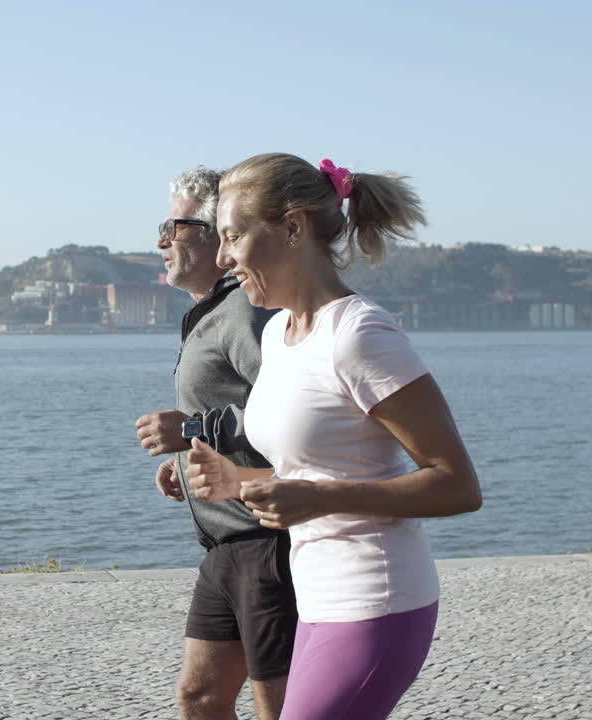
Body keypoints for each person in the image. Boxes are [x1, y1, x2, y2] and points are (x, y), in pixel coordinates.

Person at [185, 153, 483, 720]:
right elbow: (320, 468)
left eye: (233, 237)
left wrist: (320, 500)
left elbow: (457, 485)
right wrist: (239, 480)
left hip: (377, 602)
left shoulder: (360, 334)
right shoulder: (278, 335)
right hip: (316, 601)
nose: (222, 258)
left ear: (293, 229)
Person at [134, 166, 297, 720]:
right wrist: (185, 463)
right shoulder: (207, 313)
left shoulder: (244, 310)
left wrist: (197, 430)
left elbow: (292, 410)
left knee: (277, 707)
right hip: (223, 547)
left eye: (171, 226)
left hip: (265, 540)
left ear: (213, 233)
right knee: (199, 697)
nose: (160, 240)